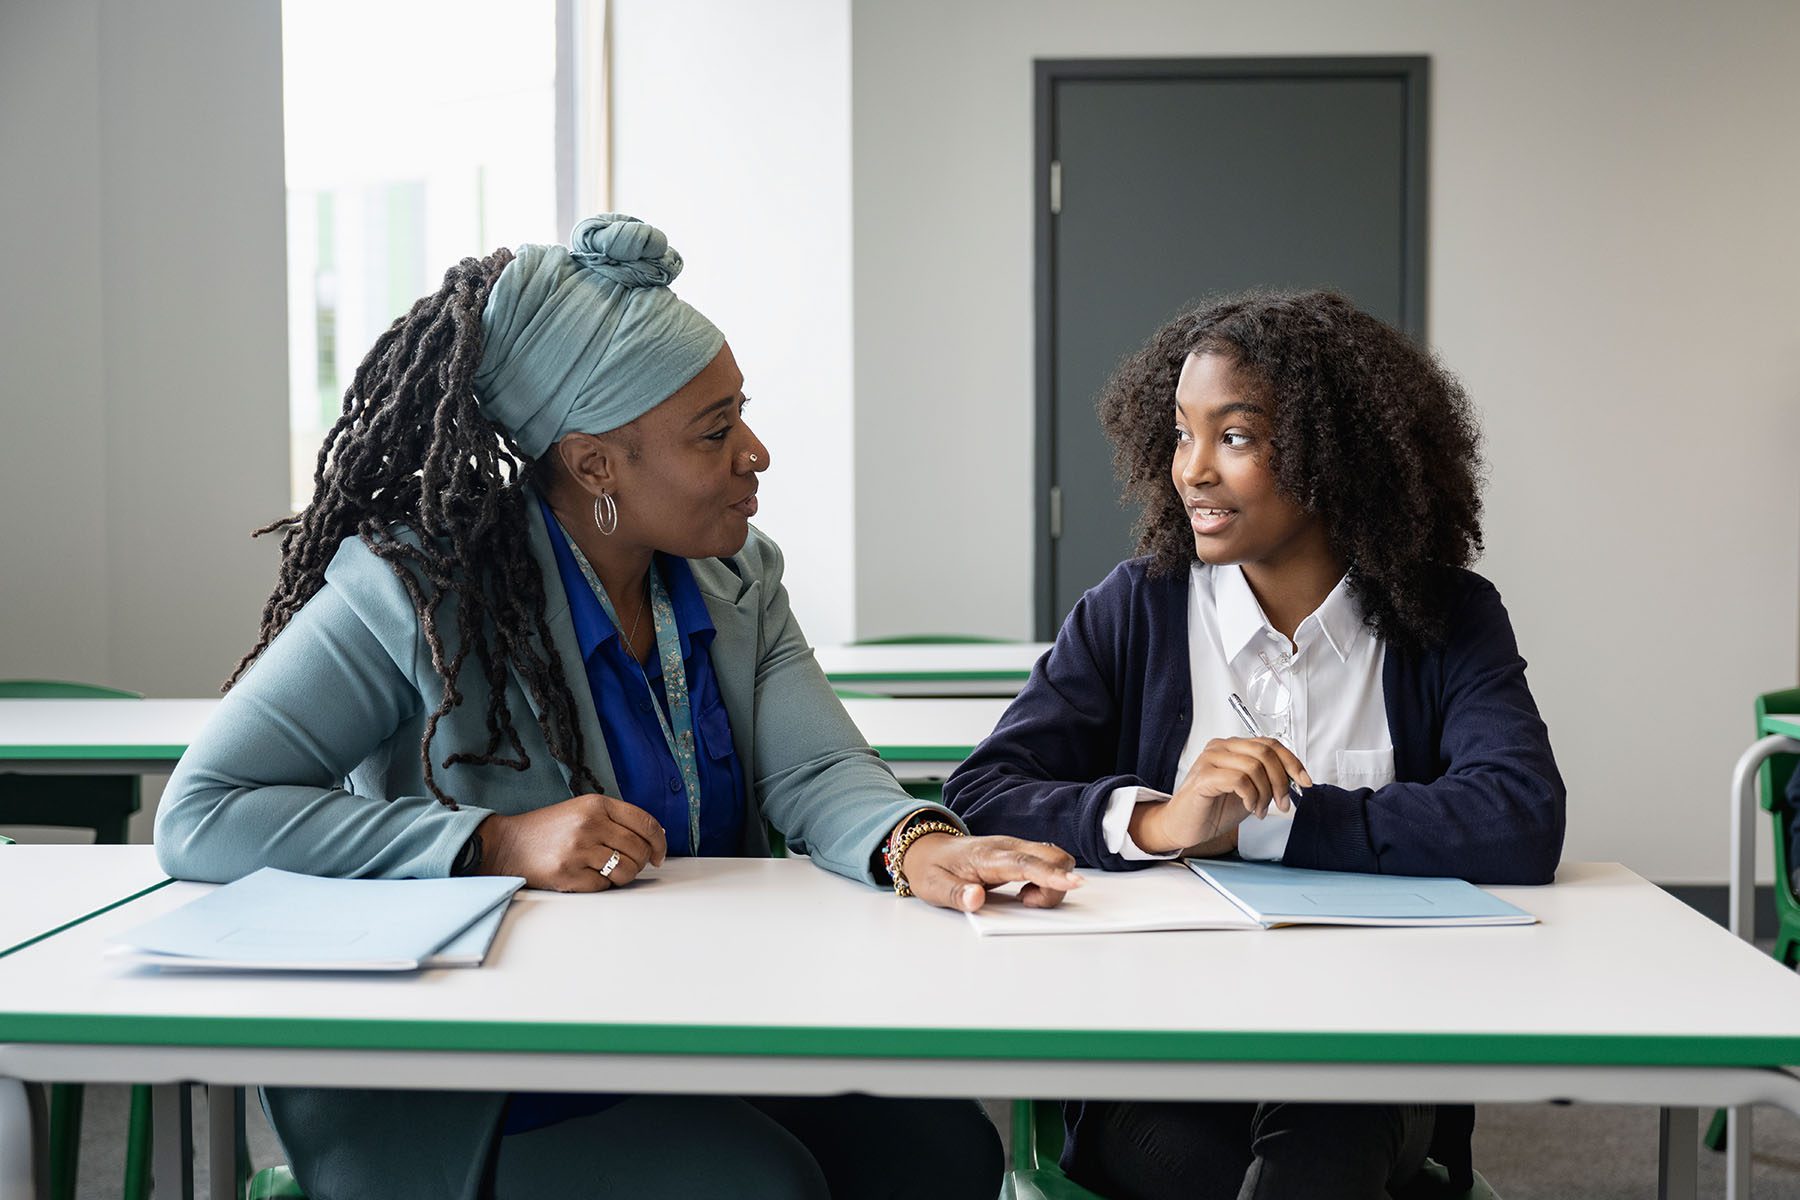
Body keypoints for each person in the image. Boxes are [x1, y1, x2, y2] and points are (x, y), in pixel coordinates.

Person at [156, 214, 1083, 1200]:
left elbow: (815, 766)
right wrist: (495, 844)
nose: (756, 452)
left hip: (688, 1019)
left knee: (942, 1154)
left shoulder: (735, 575)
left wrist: (915, 843)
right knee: (757, 1189)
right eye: (714, 431)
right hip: (477, 1068)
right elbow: (205, 811)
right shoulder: (416, 590)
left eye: (743, 414)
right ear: (596, 464)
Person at [943, 291, 1566, 1200]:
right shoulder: (1136, 608)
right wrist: (1160, 820)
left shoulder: (1448, 616)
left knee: (1332, 1117)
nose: (1193, 470)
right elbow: (985, 792)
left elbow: (1518, 817)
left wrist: (1261, 830)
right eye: (1182, 434)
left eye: (1234, 437)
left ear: (1335, 455)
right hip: (1157, 1063)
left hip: (1376, 1056)